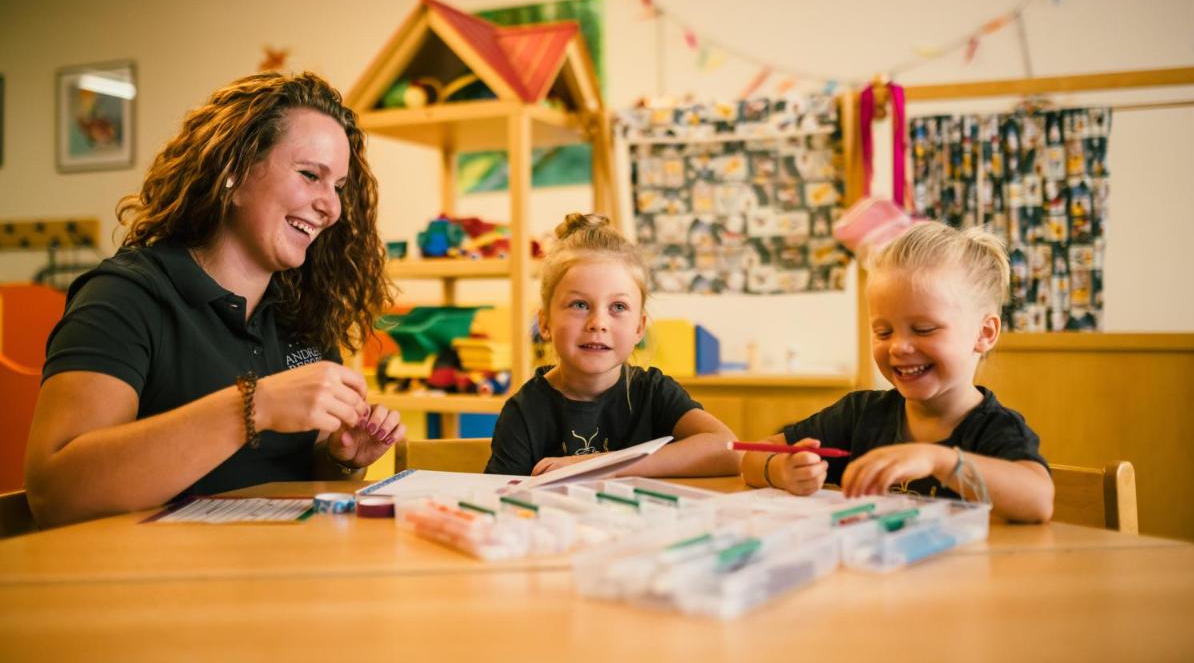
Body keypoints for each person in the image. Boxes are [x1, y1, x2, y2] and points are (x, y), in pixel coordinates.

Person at [25, 72, 403, 528]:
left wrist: (342, 459)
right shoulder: (124, 296)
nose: (332, 207)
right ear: (233, 174)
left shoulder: (304, 313)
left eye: (338, 187)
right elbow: (55, 494)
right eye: (310, 175)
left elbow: (298, 473)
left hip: (281, 565)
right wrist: (254, 406)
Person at [739, 221, 1054, 522]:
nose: (899, 347)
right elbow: (752, 457)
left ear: (984, 333)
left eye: (923, 329)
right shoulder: (859, 415)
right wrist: (782, 470)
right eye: (883, 332)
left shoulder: (996, 428)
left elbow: (1039, 501)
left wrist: (939, 460)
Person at [485, 213, 738, 478]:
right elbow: (496, 497)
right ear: (545, 323)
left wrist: (599, 465)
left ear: (639, 327)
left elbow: (729, 449)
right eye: (580, 305)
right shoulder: (524, 411)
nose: (598, 323)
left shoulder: (653, 393)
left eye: (618, 307)